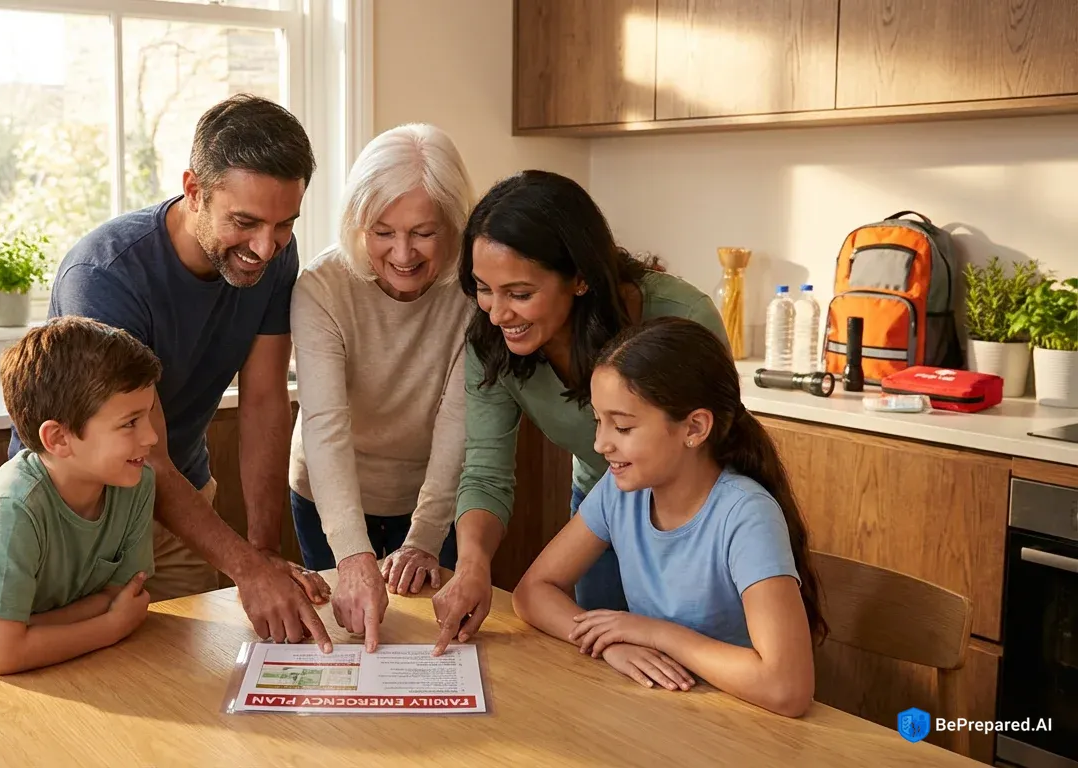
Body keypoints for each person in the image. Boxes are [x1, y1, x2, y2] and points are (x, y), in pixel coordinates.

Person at [6, 93, 332, 650]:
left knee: (187, 683)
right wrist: (248, 571)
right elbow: (142, 446)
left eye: (284, 225)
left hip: (181, 497)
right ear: (194, 189)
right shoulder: (106, 275)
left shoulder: (277, 253)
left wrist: (264, 553)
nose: (265, 246)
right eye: (245, 222)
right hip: (74, 516)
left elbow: (263, 402)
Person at [432, 170, 731, 654]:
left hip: (693, 526)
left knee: (695, 676)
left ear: (579, 277)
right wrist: (472, 564)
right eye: (484, 288)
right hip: (600, 511)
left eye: (520, 294)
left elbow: (719, 456)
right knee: (608, 664)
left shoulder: (681, 318)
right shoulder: (491, 342)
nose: (496, 313)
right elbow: (486, 473)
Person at [511, 317, 826, 717]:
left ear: (694, 427)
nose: (600, 443)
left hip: (740, 724)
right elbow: (533, 591)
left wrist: (655, 634)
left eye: (622, 426)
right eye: (598, 421)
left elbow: (787, 688)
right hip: (666, 712)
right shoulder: (620, 490)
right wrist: (613, 642)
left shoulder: (747, 515)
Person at [289, 124, 475, 651]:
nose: (402, 254)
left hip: (434, 493)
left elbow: (457, 418)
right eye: (382, 231)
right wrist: (351, 555)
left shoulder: (473, 289)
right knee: (349, 645)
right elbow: (325, 424)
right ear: (357, 224)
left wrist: (424, 539)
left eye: (423, 232)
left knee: (432, 646)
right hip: (330, 492)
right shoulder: (321, 287)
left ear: (454, 225)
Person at [0, 316, 163, 674]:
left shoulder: (135, 483)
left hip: (41, 667)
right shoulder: (13, 508)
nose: (151, 437)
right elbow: (3, 657)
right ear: (58, 439)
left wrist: (23, 629)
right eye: (130, 423)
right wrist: (111, 626)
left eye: (148, 416)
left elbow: (121, 596)